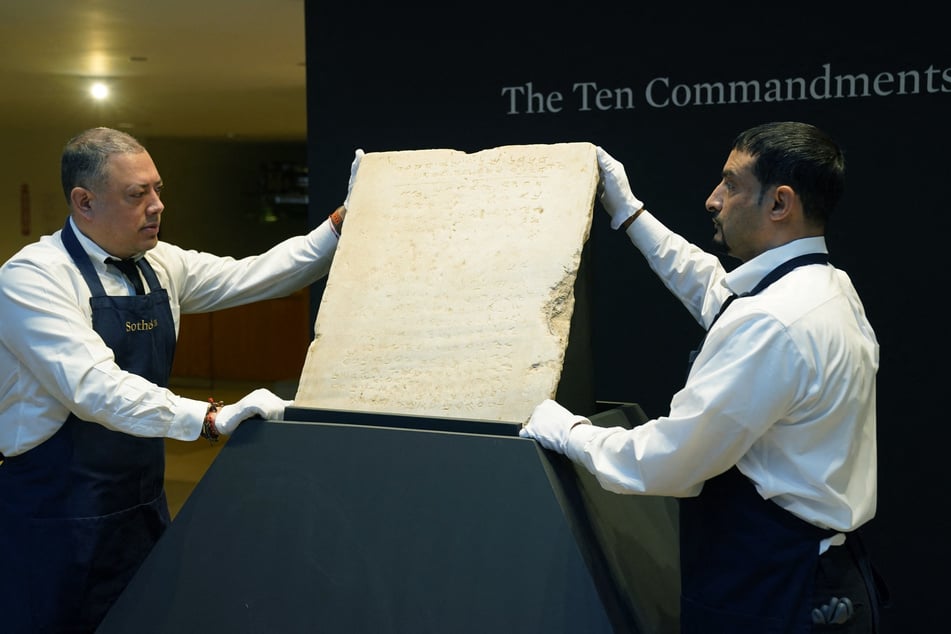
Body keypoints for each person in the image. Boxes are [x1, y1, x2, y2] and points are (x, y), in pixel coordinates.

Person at [521, 122, 886, 632]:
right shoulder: (824, 288)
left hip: (773, 591)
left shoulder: (771, 324)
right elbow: (717, 293)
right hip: (822, 579)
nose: (713, 200)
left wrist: (568, 432)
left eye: (731, 184)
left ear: (780, 203)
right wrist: (629, 214)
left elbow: (667, 461)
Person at [0, 127, 362, 632]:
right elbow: (95, 389)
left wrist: (343, 221)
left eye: (157, 189)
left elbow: (262, 273)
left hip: (142, 505)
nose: (156, 206)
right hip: (55, 517)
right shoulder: (32, 277)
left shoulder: (161, 264)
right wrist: (209, 418)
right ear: (84, 202)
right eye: (136, 194)